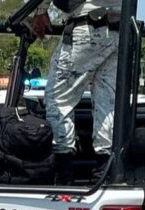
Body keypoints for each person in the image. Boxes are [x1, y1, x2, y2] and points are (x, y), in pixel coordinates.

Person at [32, 0, 121, 184]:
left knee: (58, 99)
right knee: (107, 104)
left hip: (88, 27)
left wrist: (39, 11)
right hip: (120, 29)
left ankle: (63, 175)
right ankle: (103, 175)